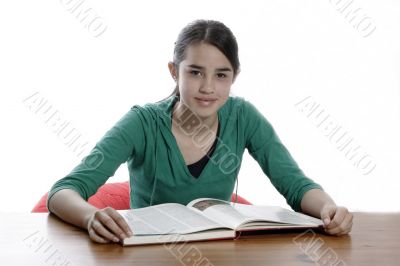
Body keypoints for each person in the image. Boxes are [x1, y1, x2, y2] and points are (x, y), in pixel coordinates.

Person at [47, 19, 353, 244]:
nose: (208, 87)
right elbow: (63, 190)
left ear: (234, 77)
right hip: (148, 252)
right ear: (173, 71)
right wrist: (90, 216)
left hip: (219, 252)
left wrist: (328, 207)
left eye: (221, 75)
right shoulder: (142, 123)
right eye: (195, 72)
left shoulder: (243, 117)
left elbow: (295, 185)